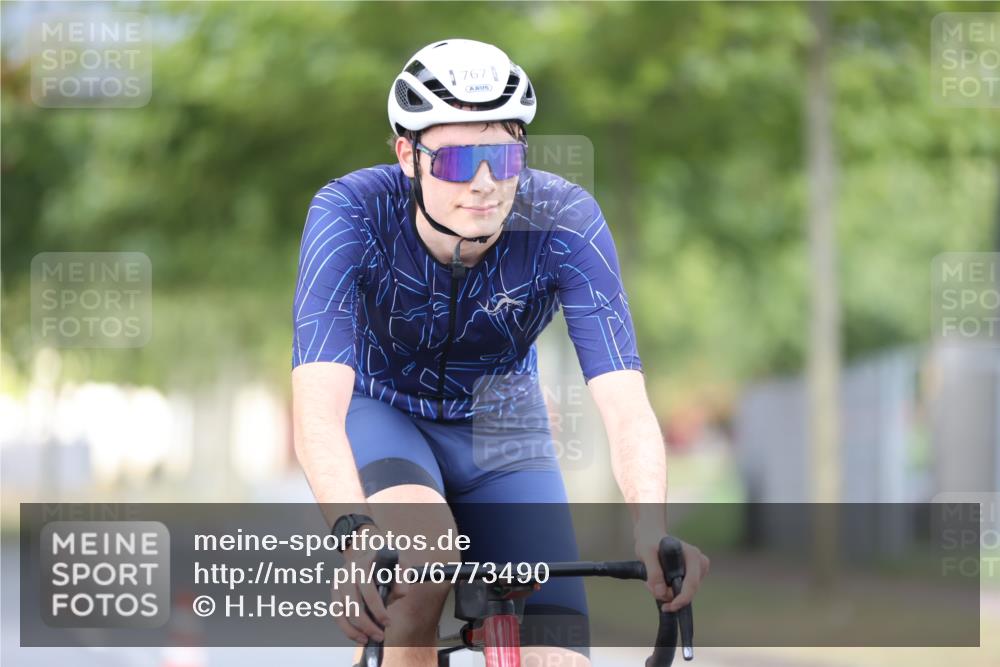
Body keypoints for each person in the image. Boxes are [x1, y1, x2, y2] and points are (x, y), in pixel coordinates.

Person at [291, 38, 708, 667]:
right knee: (420, 563)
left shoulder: (565, 219)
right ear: (409, 154)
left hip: (504, 422)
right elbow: (317, 409)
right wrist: (353, 536)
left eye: (504, 156)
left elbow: (626, 406)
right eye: (459, 160)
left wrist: (651, 529)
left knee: (559, 657)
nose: (486, 184)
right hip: (383, 410)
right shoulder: (350, 212)